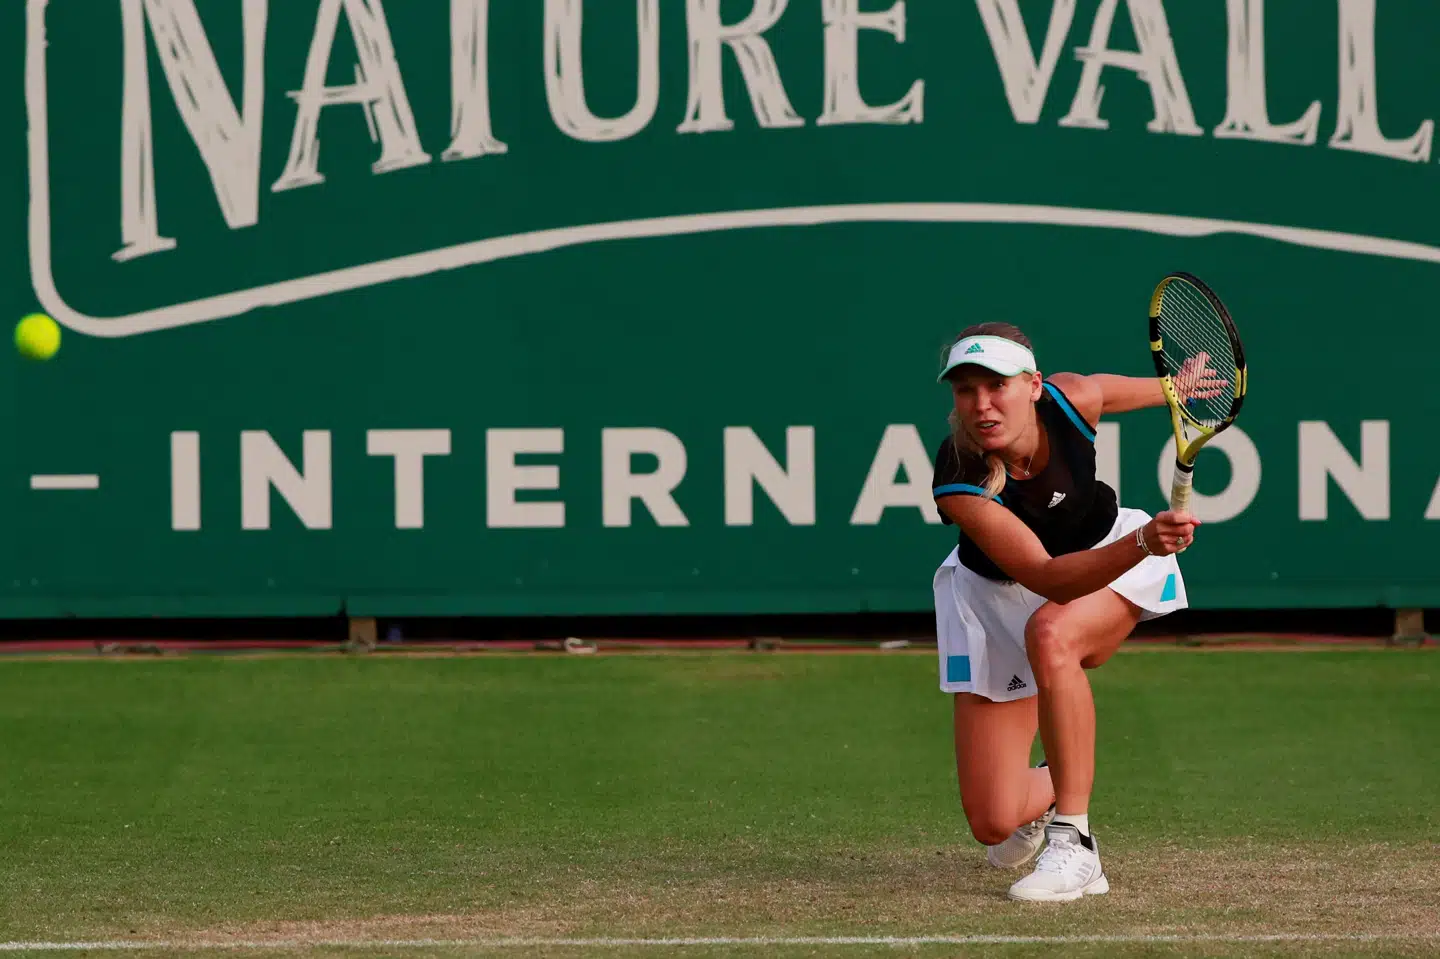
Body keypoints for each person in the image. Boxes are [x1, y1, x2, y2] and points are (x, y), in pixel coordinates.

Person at [929, 321, 1221, 903]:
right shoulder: (960, 475)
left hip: (1103, 558)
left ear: (1034, 386)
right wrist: (1146, 544)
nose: (981, 404)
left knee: (1055, 634)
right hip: (1004, 597)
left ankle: (1076, 844)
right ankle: (1062, 769)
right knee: (994, 821)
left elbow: (1109, 392)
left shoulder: (1069, 400)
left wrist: (1176, 390)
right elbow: (1044, 577)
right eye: (966, 390)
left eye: (997, 386)